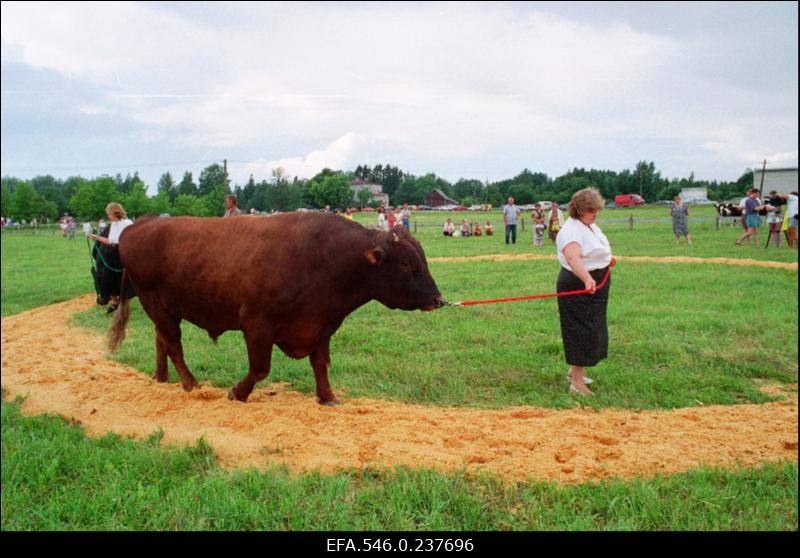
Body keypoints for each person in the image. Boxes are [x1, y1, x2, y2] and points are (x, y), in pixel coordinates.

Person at [556, 188, 613, 396]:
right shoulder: (570, 231)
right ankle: (577, 384)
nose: (595, 214)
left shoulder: (588, 224)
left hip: (594, 285)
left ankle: (575, 372)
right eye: (591, 211)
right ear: (579, 210)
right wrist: (587, 278)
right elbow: (573, 258)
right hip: (579, 285)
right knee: (579, 331)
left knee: (592, 330)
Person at [87, 202, 134, 313]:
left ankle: (124, 303)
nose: (108, 216)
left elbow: (130, 240)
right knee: (106, 278)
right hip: (111, 254)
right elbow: (110, 241)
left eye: (109, 213)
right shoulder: (112, 225)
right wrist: (97, 237)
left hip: (123, 252)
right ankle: (115, 301)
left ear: (114, 212)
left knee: (124, 279)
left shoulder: (127, 223)